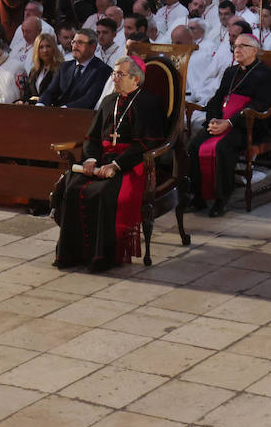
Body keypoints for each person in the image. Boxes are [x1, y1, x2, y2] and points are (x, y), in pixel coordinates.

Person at [53, 57, 166, 272]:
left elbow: (145, 143)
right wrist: (90, 159)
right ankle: (71, 254)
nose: (114, 78)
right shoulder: (108, 101)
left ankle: (102, 257)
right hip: (101, 161)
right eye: (114, 73)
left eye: (120, 74)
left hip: (131, 164)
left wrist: (116, 165)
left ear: (135, 78)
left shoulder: (149, 103)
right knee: (73, 186)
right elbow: (93, 137)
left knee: (105, 192)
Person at [187, 34, 271, 217]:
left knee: (223, 147)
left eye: (242, 46)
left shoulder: (266, 74)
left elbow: (258, 105)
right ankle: (198, 197)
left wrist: (229, 123)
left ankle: (221, 199)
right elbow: (218, 98)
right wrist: (213, 119)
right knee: (194, 146)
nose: (237, 50)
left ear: (254, 50)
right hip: (222, 121)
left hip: (248, 126)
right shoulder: (230, 72)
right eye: (235, 46)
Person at [38, 29, 112, 109]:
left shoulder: (103, 70)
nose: (75, 46)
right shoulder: (65, 67)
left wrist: (64, 109)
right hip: (58, 114)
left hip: (82, 117)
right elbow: (50, 91)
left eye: (80, 43)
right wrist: (41, 104)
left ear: (93, 47)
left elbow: (89, 99)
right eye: (73, 42)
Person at [21, 33, 64, 103]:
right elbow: (27, 93)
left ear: (54, 48)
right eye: (41, 47)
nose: (45, 50)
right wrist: (21, 101)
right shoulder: (34, 71)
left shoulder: (61, 69)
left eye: (48, 46)